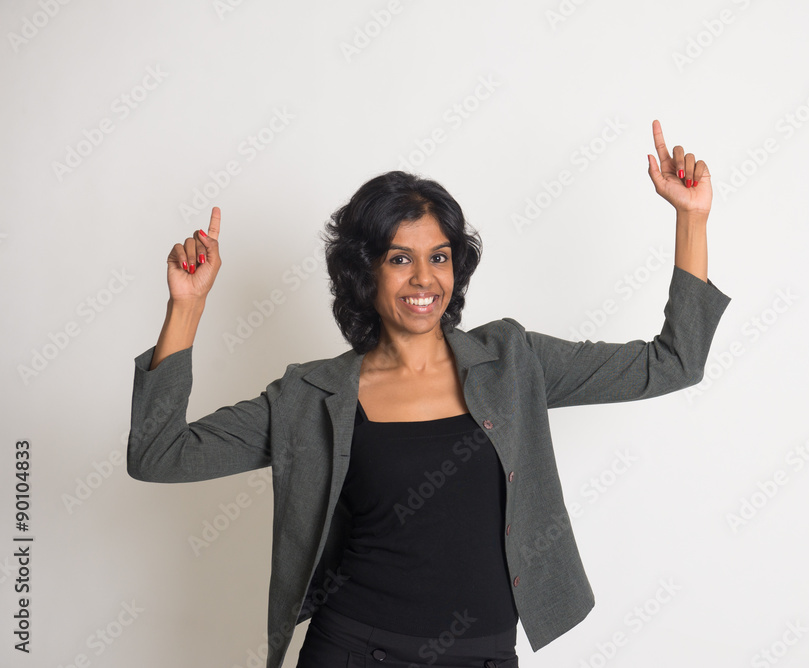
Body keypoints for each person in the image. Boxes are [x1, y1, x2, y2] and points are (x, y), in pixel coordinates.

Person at [127, 119, 731, 668]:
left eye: (438, 257)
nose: (424, 278)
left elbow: (673, 363)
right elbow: (159, 455)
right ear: (365, 273)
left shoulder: (513, 361)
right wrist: (187, 308)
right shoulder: (312, 396)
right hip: (352, 648)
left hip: (483, 654)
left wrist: (691, 219)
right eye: (400, 259)